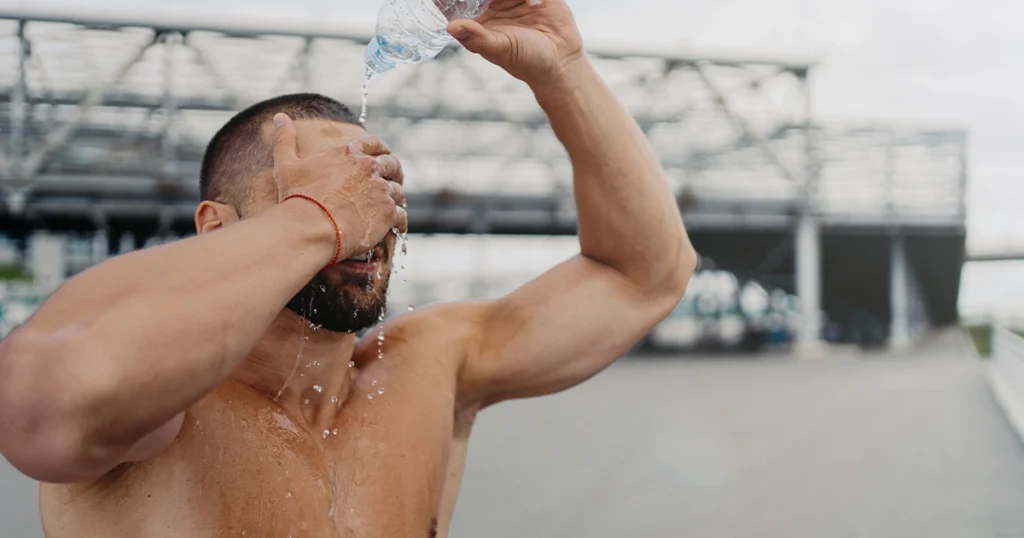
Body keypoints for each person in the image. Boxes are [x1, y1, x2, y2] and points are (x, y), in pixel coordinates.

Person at [0, 1, 697, 536]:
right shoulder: (165, 411)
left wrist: (563, 69)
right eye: (317, 185)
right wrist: (317, 220)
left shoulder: (429, 367)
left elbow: (645, 275)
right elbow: (45, 406)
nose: (368, 212)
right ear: (217, 227)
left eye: (377, 185)